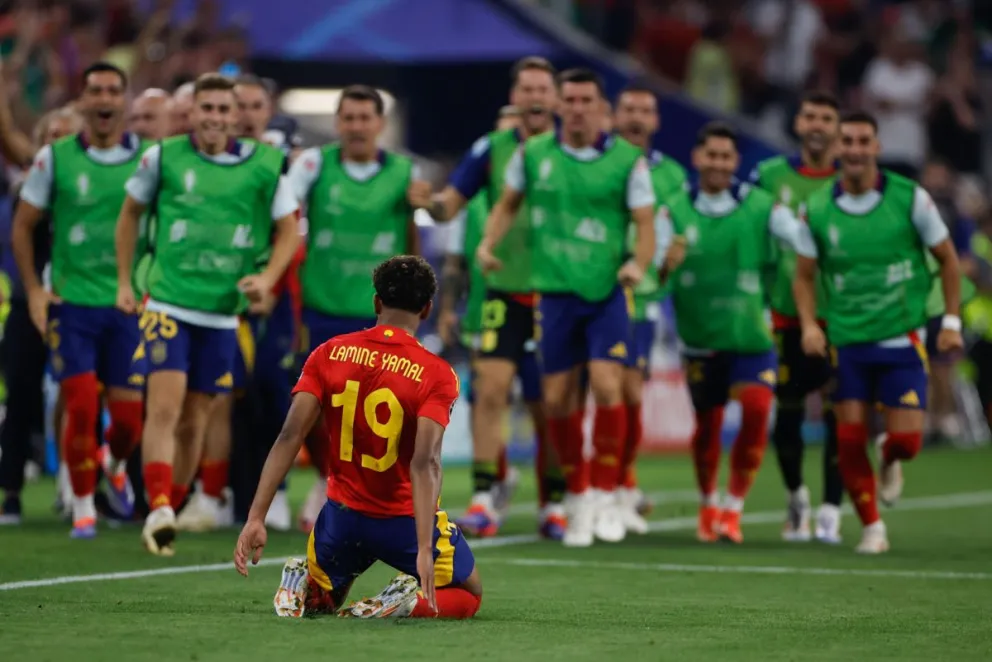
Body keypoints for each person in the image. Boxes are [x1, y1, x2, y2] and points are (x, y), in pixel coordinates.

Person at [235, 255, 482, 621]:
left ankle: (302, 580)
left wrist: (256, 517)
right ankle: (406, 603)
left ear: (376, 302)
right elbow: (425, 462)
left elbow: (290, 435)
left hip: (342, 517)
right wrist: (425, 549)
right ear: (427, 308)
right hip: (402, 520)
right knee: (467, 593)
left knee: (324, 602)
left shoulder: (329, 353)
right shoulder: (437, 374)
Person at [114, 72, 300, 556]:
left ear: (236, 115)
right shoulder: (163, 157)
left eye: (223, 109)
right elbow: (130, 214)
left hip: (222, 312)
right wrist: (123, 280)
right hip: (168, 300)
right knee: (164, 406)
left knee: (196, 419)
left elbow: (289, 231)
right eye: (207, 108)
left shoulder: (265, 165)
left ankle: (166, 511)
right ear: (193, 112)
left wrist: (267, 278)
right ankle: (157, 506)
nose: (215, 117)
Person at [478, 68, 657, 547]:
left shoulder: (627, 161)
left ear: (602, 108)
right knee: (556, 399)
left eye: (586, 100)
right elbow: (507, 203)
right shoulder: (533, 154)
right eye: (570, 100)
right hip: (552, 293)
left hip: (606, 292)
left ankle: (604, 494)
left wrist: (638, 264)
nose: (577, 108)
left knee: (605, 382)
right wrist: (488, 242)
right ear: (559, 105)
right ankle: (576, 498)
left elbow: (645, 224)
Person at [793, 110, 964, 554]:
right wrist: (811, 325)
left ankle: (891, 456)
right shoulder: (816, 209)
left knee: (907, 441)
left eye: (861, 141)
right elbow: (805, 275)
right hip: (848, 342)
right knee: (848, 438)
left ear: (876, 148)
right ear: (837, 148)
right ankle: (872, 528)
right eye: (845, 141)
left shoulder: (910, 199)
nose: (852, 149)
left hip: (901, 339)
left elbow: (947, 260)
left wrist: (949, 321)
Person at [11, 63, 149, 538]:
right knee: (82, 406)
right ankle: (85, 507)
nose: (105, 98)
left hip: (128, 305)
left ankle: (112, 461)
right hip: (71, 304)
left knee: (129, 422)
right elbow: (23, 226)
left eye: (114, 90)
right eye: (96, 91)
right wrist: (33, 288)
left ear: (125, 101)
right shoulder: (55, 158)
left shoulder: (151, 160)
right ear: (84, 101)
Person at [431, 56, 565, 540]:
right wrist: (429, 202)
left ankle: (555, 502)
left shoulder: (569, 150)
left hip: (557, 294)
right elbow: (452, 201)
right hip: (502, 291)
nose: (533, 97)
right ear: (516, 95)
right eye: (525, 87)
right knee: (489, 391)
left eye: (541, 88)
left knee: (550, 403)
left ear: (554, 98)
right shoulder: (492, 149)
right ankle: (485, 498)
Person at [285, 84, 428, 533]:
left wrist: (415, 301)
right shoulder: (313, 164)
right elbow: (284, 213)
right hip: (321, 305)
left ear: (380, 124)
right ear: (337, 122)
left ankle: (368, 491)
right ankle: (327, 478)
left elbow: (412, 240)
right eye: (349, 118)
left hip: (380, 312)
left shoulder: (406, 173)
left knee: (383, 409)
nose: (357, 126)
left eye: (366, 118)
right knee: (311, 405)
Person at [658, 121, 802, 544]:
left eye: (726, 156)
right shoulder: (674, 209)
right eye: (711, 155)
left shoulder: (762, 206)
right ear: (698, 158)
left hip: (752, 337)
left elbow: (801, 237)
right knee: (708, 425)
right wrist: (667, 263)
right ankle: (708, 505)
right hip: (700, 340)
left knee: (758, 410)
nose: (718, 163)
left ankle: (734, 509)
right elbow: (656, 270)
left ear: (736, 162)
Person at [749, 90, 843, 544]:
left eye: (827, 116)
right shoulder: (767, 177)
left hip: (845, 316)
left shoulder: (854, 181)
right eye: (810, 116)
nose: (818, 124)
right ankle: (796, 498)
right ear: (798, 124)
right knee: (786, 415)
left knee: (841, 414)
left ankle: (830, 509)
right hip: (786, 314)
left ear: (838, 128)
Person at [0, 105, 82, 524]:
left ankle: (79, 488)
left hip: (80, 300)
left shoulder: (94, 187)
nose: (57, 141)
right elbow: (5, 131)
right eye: (50, 134)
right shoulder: (27, 187)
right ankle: (11, 491)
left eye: (65, 135)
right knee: (21, 392)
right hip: (28, 299)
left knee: (82, 394)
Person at [611, 83, 688, 531]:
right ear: (616, 116)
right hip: (591, 291)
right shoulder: (604, 164)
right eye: (629, 109)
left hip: (643, 297)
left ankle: (623, 482)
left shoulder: (673, 176)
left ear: (657, 120)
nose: (637, 118)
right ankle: (584, 488)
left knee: (628, 391)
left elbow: (682, 228)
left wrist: (677, 251)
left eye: (646, 110)